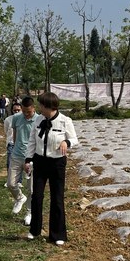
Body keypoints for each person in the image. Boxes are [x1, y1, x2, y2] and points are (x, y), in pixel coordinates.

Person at [24, 91, 78, 246]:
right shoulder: (38, 120)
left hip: (57, 163)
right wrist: (28, 160)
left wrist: (66, 142)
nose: (39, 107)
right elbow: (32, 141)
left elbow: (75, 139)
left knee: (57, 198)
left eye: (41, 105)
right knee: (37, 196)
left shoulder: (64, 121)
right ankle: (34, 230)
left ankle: (57, 234)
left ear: (49, 107)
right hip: (40, 161)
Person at [6, 96, 37, 225]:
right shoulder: (16, 118)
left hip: (32, 158)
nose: (25, 114)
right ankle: (19, 197)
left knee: (31, 189)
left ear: (33, 109)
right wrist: (15, 148)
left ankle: (29, 213)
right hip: (17, 155)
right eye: (23, 111)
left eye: (28, 112)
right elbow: (16, 134)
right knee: (11, 183)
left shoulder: (39, 120)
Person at [3, 102, 22, 172]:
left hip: (21, 144)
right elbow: (6, 131)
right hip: (11, 144)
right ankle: (10, 181)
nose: (16, 112)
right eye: (15, 110)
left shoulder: (24, 120)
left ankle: (19, 181)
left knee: (20, 164)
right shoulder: (8, 120)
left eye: (18, 110)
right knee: (10, 164)